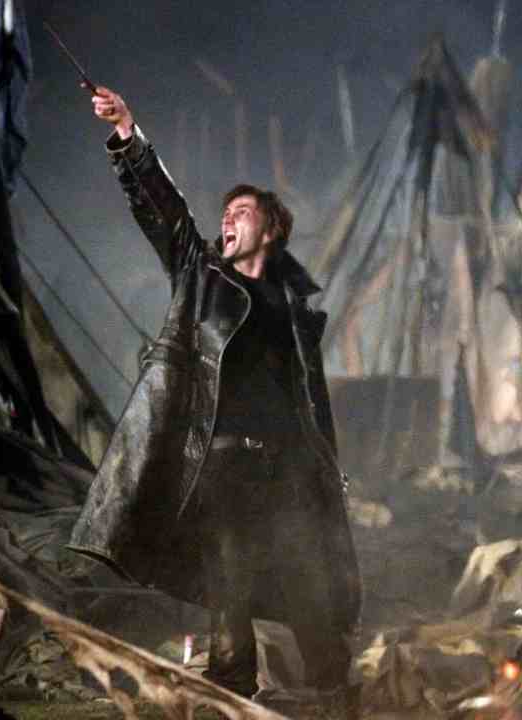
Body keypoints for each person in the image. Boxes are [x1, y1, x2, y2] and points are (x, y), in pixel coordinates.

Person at [67, 87, 361, 711]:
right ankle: (230, 698)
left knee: (311, 586)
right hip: (222, 466)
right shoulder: (201, 277)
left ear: (272, 229)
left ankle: (335, 698)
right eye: (225, 212)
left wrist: (325, 470)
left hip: (287, 470)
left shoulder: (297, 310)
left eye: (242, 211)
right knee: (230, 590)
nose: (227, 219)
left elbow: (312, 410)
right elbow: (164, 211)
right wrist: (127, 134)